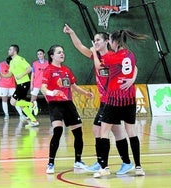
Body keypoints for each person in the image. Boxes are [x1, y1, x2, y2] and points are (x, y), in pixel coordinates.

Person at [63, 24, 138, 175]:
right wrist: (72, 33)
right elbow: (79, 46)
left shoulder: (111, 56)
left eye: (98, 40)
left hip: (112, 100)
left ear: (106, 42)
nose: (95, 43)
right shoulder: (95, 55)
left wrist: (132, 80)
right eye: (94, 40)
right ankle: (123, 162)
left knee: (100, 129)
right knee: (116, 132)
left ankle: (104, 163)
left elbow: (135, 67)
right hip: (106, 101)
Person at [91, 30, 147, 177]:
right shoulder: (130, 54)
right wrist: (133, 79)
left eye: (109, 40)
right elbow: (134, 68)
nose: (109, 43)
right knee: (132, 133)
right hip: (129, 99)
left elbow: (98, 66)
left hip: (114, 99)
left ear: (115, 41)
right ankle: (139, 167)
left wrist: (93, 51)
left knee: (104, 133)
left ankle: (104, 168)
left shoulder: (111, 56)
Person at [41, 44, 94, 174]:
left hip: (68, 104)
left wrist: (85, 93)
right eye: (59, 52)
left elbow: (74, 86)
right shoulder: (48, 70)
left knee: (78, 133)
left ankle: (78, 161)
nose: (62, 54)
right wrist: (51, 92)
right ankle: (51, 163)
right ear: (52, 55)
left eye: (63, 52)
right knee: (58, 131)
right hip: (55, 104)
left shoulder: (67, 70)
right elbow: (43, 87)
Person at [0, 44, 39, 127]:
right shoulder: (12, 61)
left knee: (13, 102)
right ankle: (34, 121)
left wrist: (21, 75)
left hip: (24, 83)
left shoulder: (20, 59)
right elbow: (10, 74)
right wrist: (2, 75)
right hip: (20, 84)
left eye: (10, 49)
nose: (8, 51)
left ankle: (32, 105)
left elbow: (29, 68)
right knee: (21, 104)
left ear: (15, 51)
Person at [0, 56, 26, 121]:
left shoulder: (15, 65)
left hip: (12, 85)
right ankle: (6, 115)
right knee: (4, 100)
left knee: (15, 100)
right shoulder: (0, 65)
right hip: (3, 85)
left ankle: (21, 114)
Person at [30, 49, 49, 114]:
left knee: (48, 98)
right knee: (32, 99)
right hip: (36, 84)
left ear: (44, 54)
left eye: (40, 54)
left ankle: (53, 111)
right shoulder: (34, 63)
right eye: (38, 54)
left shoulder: (48, 63)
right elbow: (32, 74)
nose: (39, 55)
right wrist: (31, 84)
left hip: (45, 84)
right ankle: (30, 113)